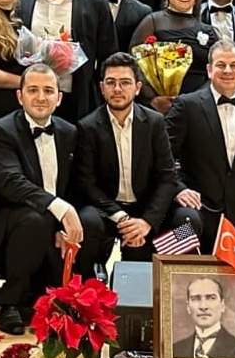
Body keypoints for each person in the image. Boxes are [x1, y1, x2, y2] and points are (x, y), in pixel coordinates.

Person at [73, 53, 197, 276]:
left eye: (125, 82)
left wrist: (147, 222)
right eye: (111, 82)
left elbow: (167, 177)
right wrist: (122, 218)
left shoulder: (155, 122)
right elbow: (86, 183)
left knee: (188, 221)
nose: (117, 89)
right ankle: (87, 282)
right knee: (87, 220)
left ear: (138, 87)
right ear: (102, 88)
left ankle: (165, 275)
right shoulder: (87, 127)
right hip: (109, 211)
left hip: (146, 209)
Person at [0, 64, 83, 335]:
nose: (41, 97)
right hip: (14, 219)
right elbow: (11, 182)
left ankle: (70, 298)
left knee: (91, 222)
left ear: (59, 98)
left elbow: (77, 184)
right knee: (34, 220)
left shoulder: (70, 133)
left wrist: (64, 223)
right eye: (33, 90)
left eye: (48, 91)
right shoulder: (1, 131)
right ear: (20, 96)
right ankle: (9, 302)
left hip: (55, 219)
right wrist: (60, 209)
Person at [164, 40, 235, 253]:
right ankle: (174, 271)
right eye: (221, 65)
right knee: (180, 241)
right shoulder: (186, 105)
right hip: (193, 212)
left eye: (234, 65)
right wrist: (178, 189)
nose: (227, 70)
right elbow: (162, 157)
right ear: (209, 70)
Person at [17, 0, 117, 123]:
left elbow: (108, 57)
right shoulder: (20, 0)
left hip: (78, 103)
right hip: (29, 100)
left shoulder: (95, 3)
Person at [129, 0, 218, 112]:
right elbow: (134, 63)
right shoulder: (152, 22)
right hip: (159, 110)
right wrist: (152, 99)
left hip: (199, 108)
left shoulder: (209, 31)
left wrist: (197, 99)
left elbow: (217, 70)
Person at [171, 276, 235, 358]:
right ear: (188, 307)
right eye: (196, 299)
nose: (203, 306)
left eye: (211, 298)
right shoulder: (175, 350)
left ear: (222, 305)